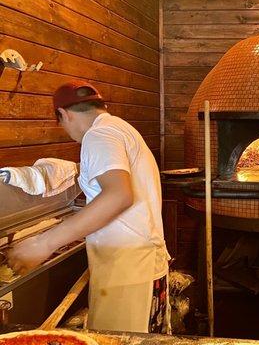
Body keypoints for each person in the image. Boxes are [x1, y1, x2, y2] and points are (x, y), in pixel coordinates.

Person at [7, 80, 170, 334]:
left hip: (127, 266)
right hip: (141, 260)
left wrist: (44, 243)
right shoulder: (120, 128)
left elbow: (118, 195)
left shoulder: (98, 135)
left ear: (63, 114)